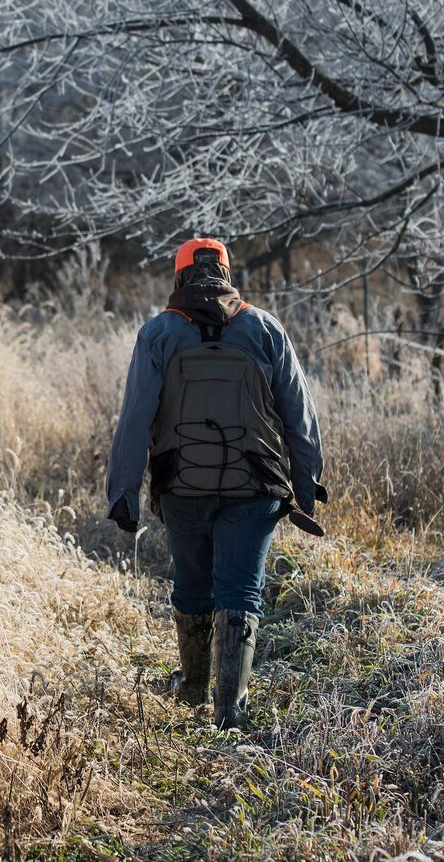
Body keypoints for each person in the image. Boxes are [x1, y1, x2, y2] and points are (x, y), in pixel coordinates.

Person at [106, 237, 326, 731]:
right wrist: (307, 482)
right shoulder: (266, 328)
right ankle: (230, 713)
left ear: (179, 276)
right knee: (240, 591)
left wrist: (123, 493)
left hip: (181, 487)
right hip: (256, 486)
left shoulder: (158, 333)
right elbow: (300, 416)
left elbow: (135, 420)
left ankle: (191, 691)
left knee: (192, 586)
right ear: (226, 272)